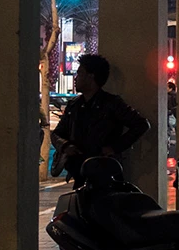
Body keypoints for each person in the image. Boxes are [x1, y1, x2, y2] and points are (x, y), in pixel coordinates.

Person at [51, 54, 150, 189]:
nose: (76, 78)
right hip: (79, 171)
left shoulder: (111, 103)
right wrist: (66, 146)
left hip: (105, 173)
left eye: (80, 73)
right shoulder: (74, 106)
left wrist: (114, 148)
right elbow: (57, 133)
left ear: (91, 77)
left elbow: (141, 124)